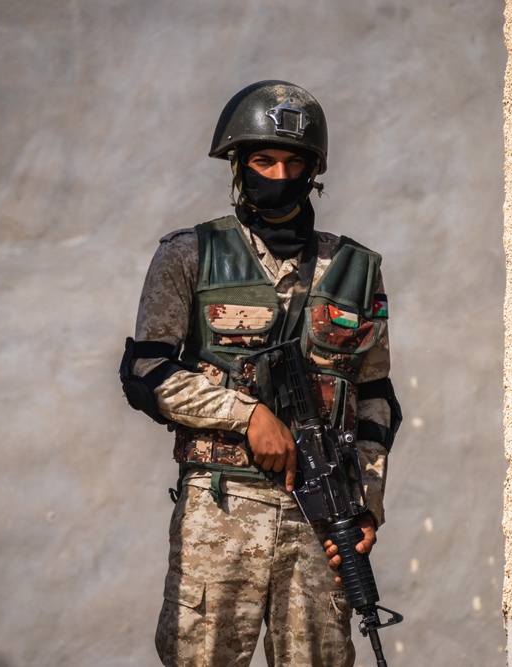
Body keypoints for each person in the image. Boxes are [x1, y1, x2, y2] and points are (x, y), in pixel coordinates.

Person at [120, 80, 401, 667]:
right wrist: (246, 416)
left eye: (293, 161)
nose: (278, 173)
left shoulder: (355, 269)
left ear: (313, 171)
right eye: (263, 160)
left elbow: (376, 400)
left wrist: (366, 504)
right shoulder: (188, 255)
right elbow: (146, 370)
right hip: (219, 514)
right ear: (238, 167)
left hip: (321, 518)